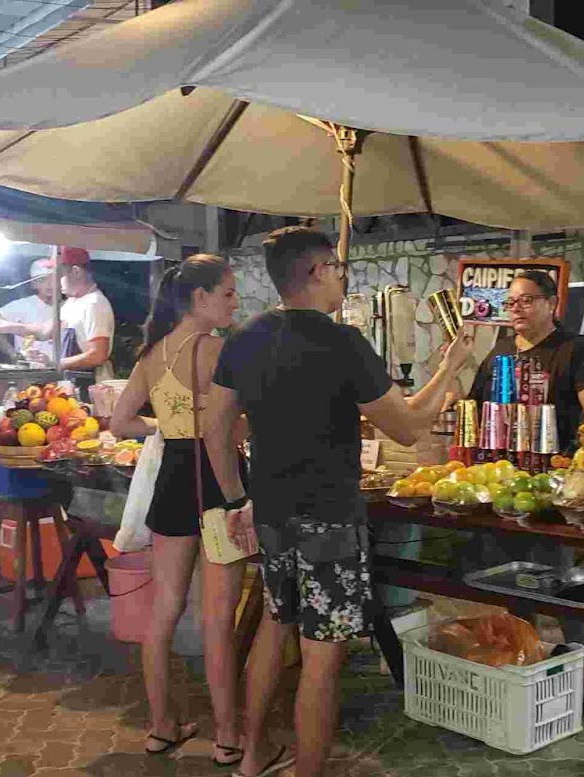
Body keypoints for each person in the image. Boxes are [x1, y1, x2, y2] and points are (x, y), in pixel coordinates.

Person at [201, 227, 474, 777]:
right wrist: (450, 369)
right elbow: (404, 428)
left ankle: (251, 757)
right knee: (322, 656)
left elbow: (215, 426)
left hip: (271, 511)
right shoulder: (343, 342)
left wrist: (236, 499)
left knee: (273, 628)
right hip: (329, 517)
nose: (342, 280)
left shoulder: (246, 337)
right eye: (339, 270)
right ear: (318, 271)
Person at [108, 254, 250, 767]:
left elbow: (120, 423)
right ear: (201, 299)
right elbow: (234, 430)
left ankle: (161, 726)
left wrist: (165, 427)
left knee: (163, 611)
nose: (235, 302)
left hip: (171, 480)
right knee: (217, 620)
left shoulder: (152, 355)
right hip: (218, 484)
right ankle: (228, 736)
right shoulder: (220, 351)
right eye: (229, 293)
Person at [456, 268, 584, 709]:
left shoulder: (575, 349)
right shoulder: (500, 351)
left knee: (557, 578)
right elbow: (478, 407)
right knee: (508, 580)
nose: (517, 310)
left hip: (550, 482)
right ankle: (523, 660)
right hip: (501, 481)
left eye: (526, 300)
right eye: (511, 303)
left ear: (551, 304)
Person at [0, 246, 114, 397]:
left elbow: (98, 354)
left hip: (89, 389)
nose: (56, 282)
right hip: (70, 384)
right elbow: (45, 331)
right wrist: (10, 327)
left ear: (76, 272)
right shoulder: (73, 302)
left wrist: (55, 363)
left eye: (58, 276)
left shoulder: (94, 304)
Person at [0, 257, 59, 365]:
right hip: (29, 369)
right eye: (41, 280)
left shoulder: (68, 306)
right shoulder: (23, 305)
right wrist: (13, 354)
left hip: (59, 369)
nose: (49, 285)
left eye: (53, 279)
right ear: (33, 284)